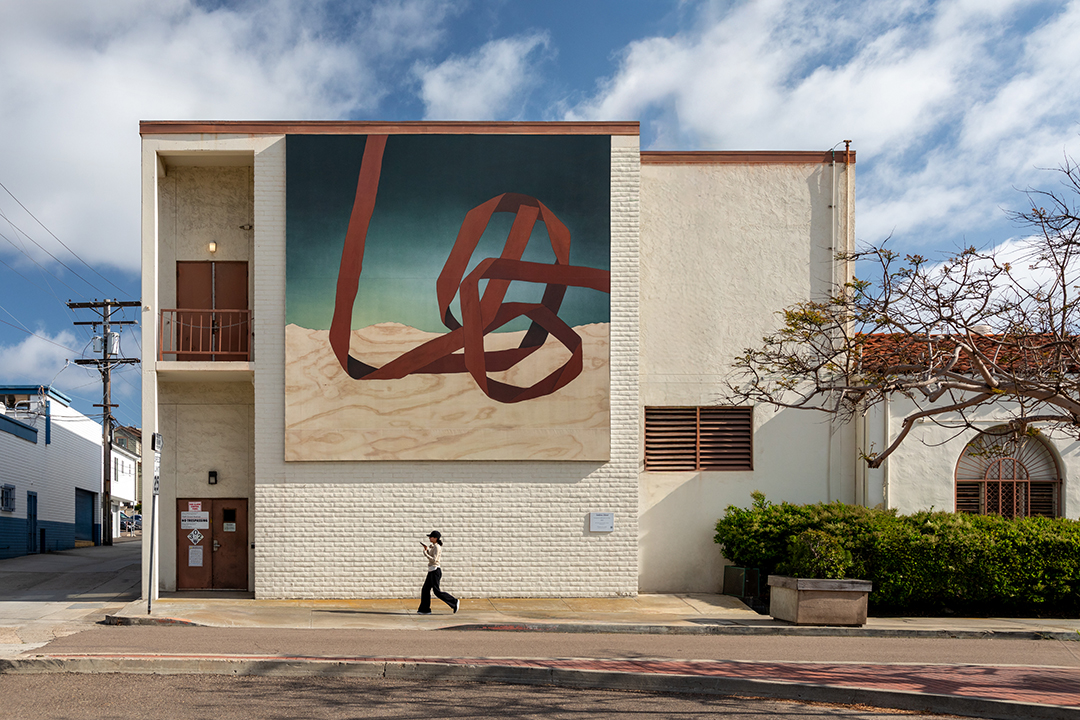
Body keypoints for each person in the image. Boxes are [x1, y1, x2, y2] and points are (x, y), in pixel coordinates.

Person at [417, 530, 459, 614]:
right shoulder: (434, 546)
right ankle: (424, 609)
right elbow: (432, 556)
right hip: (432, 570)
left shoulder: (437, 547)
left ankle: (454, 602)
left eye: (431, 537)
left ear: (436, 538)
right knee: (425, 589)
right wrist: (427, 550)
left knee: (436, 591)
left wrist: (425, 553)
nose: (429, 538)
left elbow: (434, 560)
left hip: (435, 570)